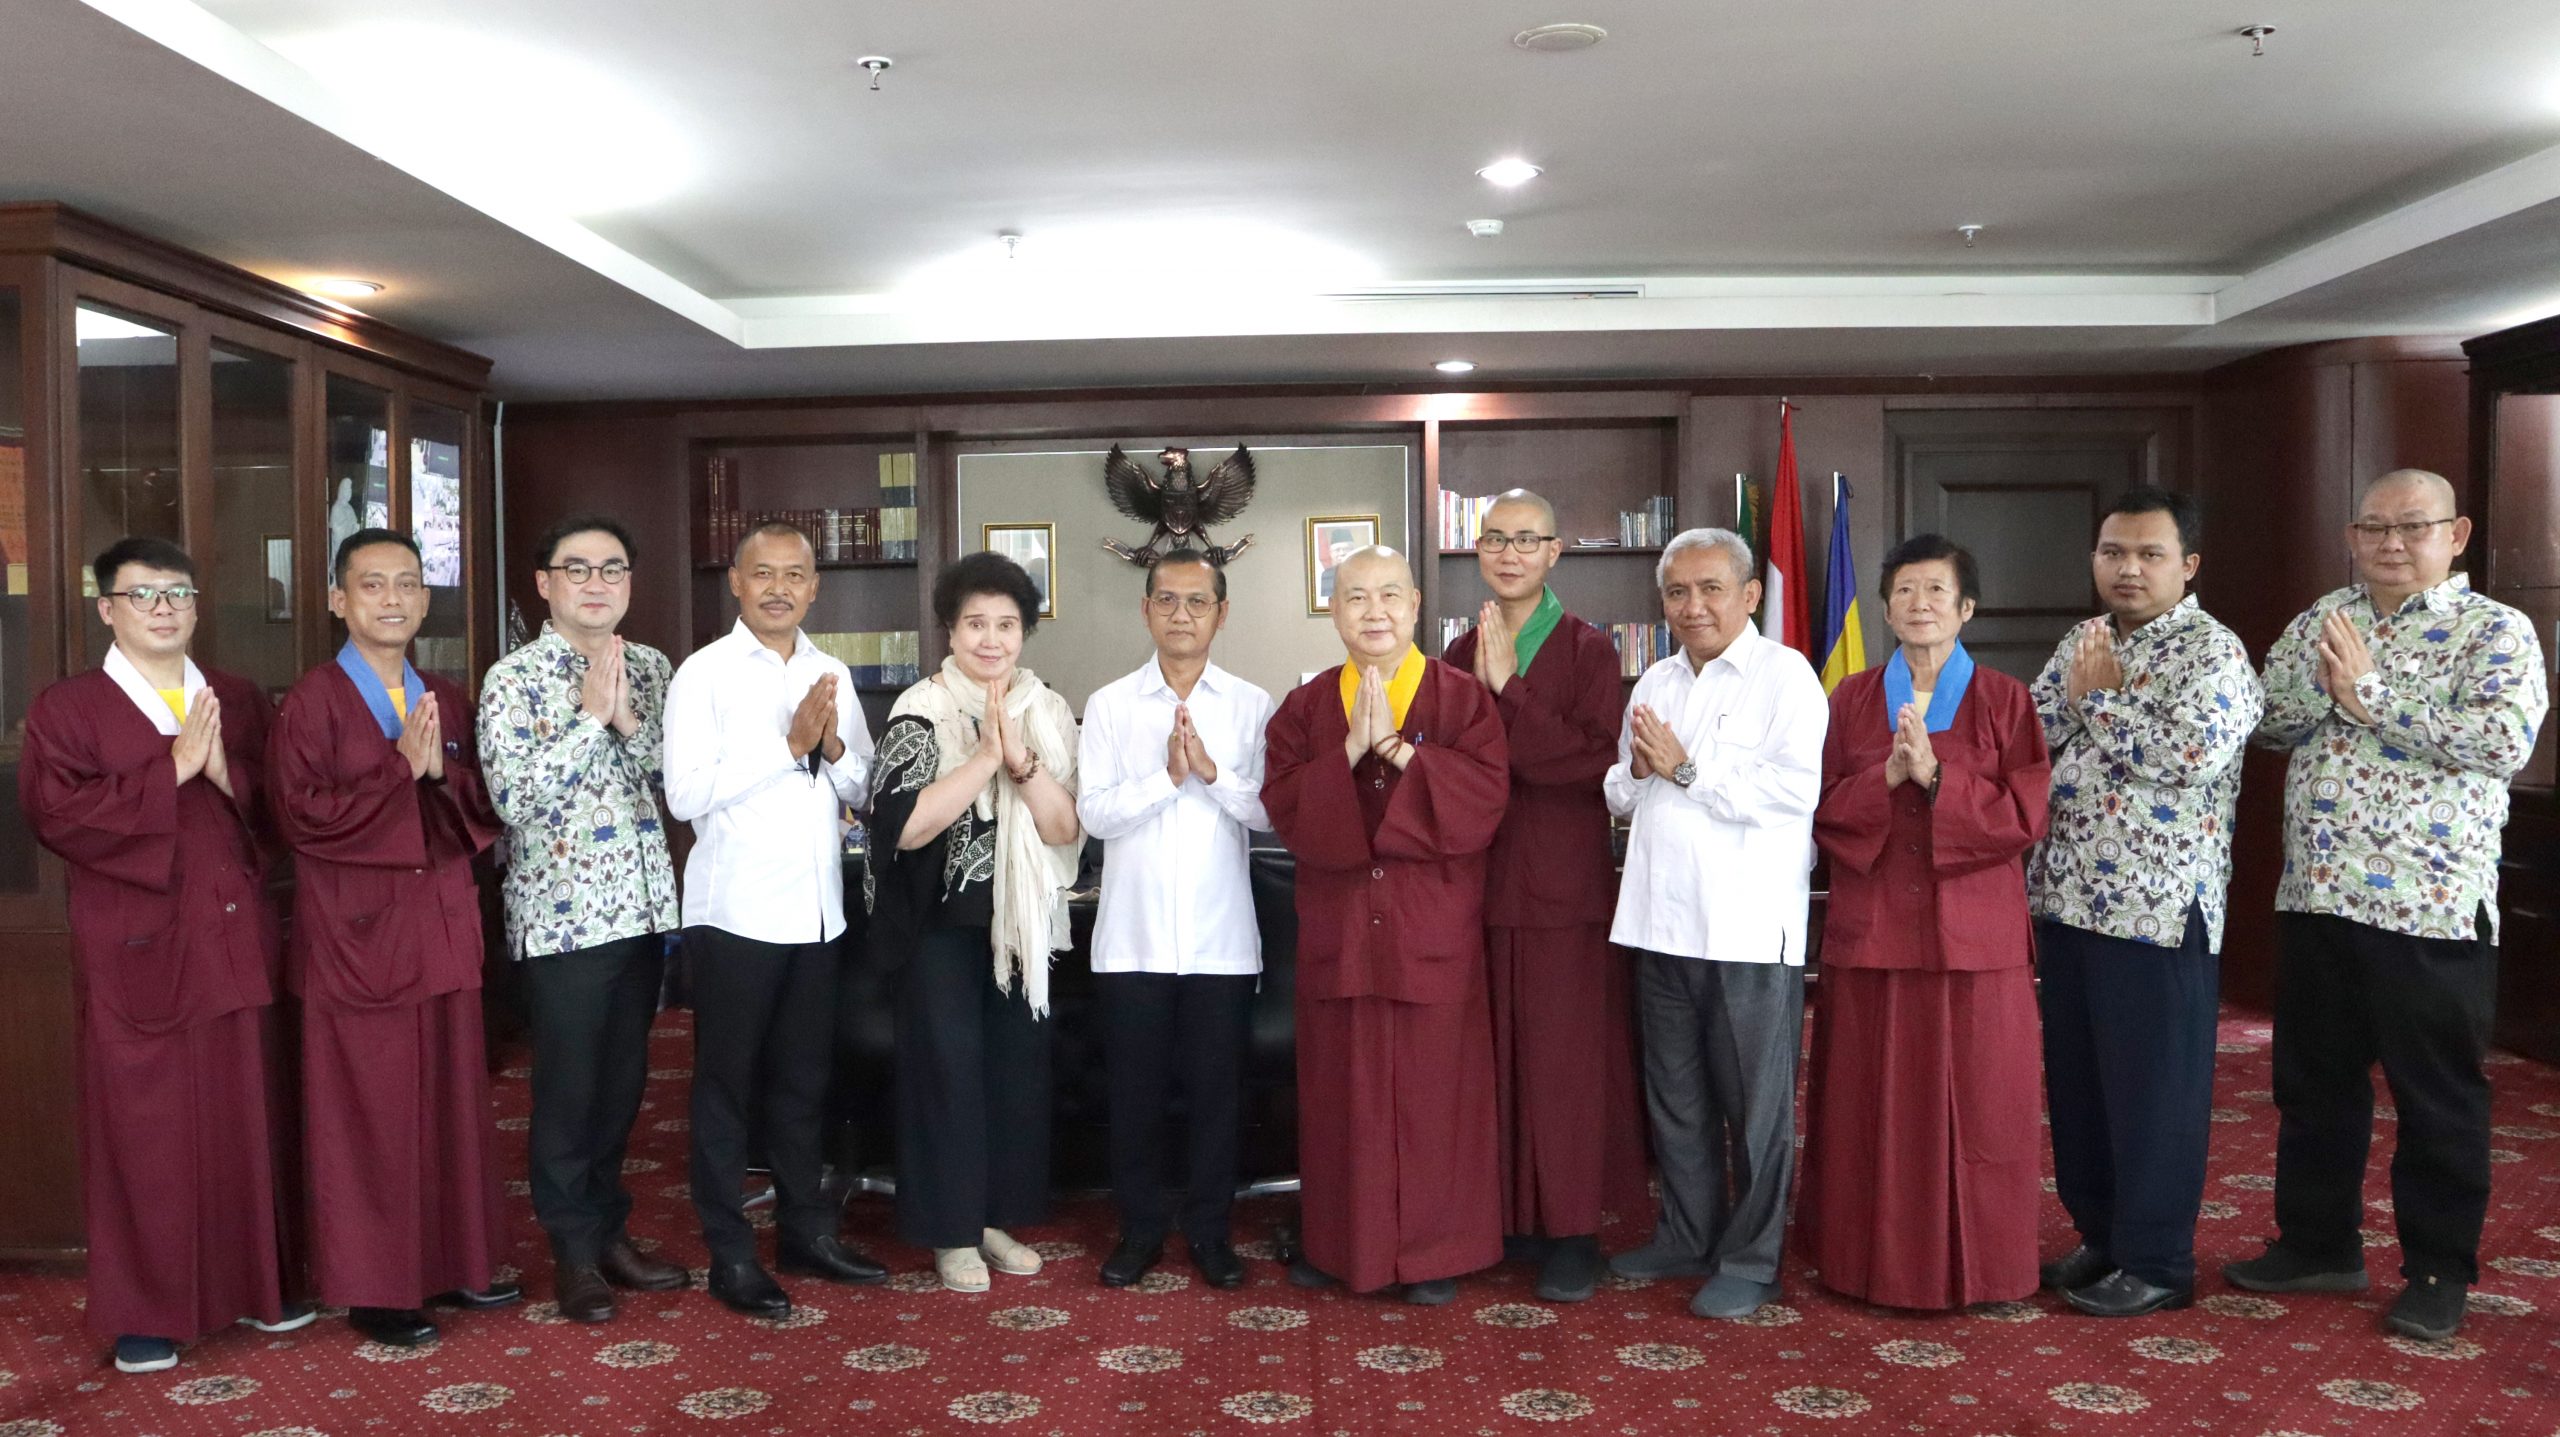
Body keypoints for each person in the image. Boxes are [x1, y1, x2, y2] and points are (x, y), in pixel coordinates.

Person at [2229, 468, 2548, 1342]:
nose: (2392, 544)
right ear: (2352, 536)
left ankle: (2439, 1269)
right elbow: (2273, 720)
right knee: (2314, 1085)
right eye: (2374, 528)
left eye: (2413, 527)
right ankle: (2318, 1242)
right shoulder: (2322, 619)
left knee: (2436, 1096)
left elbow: (2501, 740)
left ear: (2459, 532)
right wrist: (2320, 693)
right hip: (2319, 895)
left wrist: (2371, 696)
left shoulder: (2495, 631)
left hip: (2430, 907)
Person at [20, 538, 311, 1373]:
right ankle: (147, 1312)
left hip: (234, 938)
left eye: (178, 592)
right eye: (142, 594)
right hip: (138, 948)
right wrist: (172, 769)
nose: (163, 608)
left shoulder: (237, 697)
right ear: (106, 608)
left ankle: (261, 1283)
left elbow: (282, 816)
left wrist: (224, 772)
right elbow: (56, 816)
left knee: (249, 1114)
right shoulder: (68, 709)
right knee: (145, 1130)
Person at [267, 528, 513, 1347]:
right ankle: (376, 1286)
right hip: (357, 938)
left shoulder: (440, 691)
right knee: (368, 1114)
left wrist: (439, 772)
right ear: (339, 600)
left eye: (408, 583)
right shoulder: (310, 701)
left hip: (439, 930)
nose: (393, 599)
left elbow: (479, 803)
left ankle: (451, 1260)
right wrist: (395, 773)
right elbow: (299, 818)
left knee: (449, 1101)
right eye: (373, 585)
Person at [2027, 489, 2264, 1317]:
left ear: (2187, 565)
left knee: (2154, 1093)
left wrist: (2099, 703)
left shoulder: (2214, 653)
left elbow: (2187, 755)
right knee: (2082, 1087)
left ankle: (2159, 1260)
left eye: (2149, 554)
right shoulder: (2083, 639)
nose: (2128, 568)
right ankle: (2102, 1237)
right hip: (2067, 898)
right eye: (2113, 552)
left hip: (2158, 912)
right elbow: (2032, 732)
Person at [1800, 534, 2050, 1310]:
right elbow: (1818, 809)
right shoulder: (1847, 698)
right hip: (1874, 932)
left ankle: (1989, 1270)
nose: (1919, 605)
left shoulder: (2007, 699)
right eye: (1904, 591)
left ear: (1966, 608)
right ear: (1884, 607)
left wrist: (1938, 778)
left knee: (1983, 1106)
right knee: (1865, 1104)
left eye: (1936, 591)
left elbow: (2024, 814)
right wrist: (1884, 778)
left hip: (1973, 939)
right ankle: (1859, 1262)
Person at [1263, 545, 1510, 1304]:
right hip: (1342, 929)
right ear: (1333, 611)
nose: (1374, 612)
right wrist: (1344, 750)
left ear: (1414, 608)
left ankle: (1433, 1253)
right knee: (1343, 1096)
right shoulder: (1304, 708)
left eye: (1389, 597)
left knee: (1437, 1096)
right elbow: (1287, 809)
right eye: (1356, 597)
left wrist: (1400, 751)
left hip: (1426, 926)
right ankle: (1343, 1246)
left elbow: (1486, 800)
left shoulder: (1461, 697)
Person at [1605, 528, 1827, 1321]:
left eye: (1709, 589)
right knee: (1676, 1096)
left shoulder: (1787, 676)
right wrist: (1636, 770)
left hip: (1743, 927)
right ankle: (1685, 1233)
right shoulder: (1656, 679)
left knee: (1755, 1107)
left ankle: (1751, 1256)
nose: (1691, 606)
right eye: (1676, 592)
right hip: (1660, 922)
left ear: (1750, 595)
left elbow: (1792, 794)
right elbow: (1621, 794)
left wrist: (1686, 768)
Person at [664, 521, 884, 1319]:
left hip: (818, 913)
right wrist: (788, 746)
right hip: (737, 914)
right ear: (735, 580)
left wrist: (829, 748)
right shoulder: (705, 674)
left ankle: (804, 1232)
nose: (780, 588)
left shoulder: (831, 669)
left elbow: (860, 783)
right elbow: (685, 794)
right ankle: (729, 1252)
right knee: (727, 1090)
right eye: (764, 573)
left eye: (795, 574)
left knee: (804, 1085)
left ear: (816, 585)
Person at [478, 515, 689, 1323]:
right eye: (578, 568)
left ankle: (608, 1232)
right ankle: (571, 1251)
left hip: (641, 910)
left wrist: (629, 716)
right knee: (567, 1089)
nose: (596, 582)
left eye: (612, 568)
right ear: (545, 582)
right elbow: (514, 799)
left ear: (630, 581)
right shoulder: (515, 678)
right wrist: (589, 718)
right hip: (564, 917)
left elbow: (677, 779)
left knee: (624, 1083)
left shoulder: (651, 665)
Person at [1440, 490, 1648, 1303]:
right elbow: (1453, 765)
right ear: (1479, 551)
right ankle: (1505, 1218)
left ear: (1556, 552)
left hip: (1563, 888)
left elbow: (1586, 765)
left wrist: (1509, 690)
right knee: (1492, 1060)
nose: (1510, 553)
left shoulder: (1589, 649)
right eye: (1496, 539)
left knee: (1565, 1067)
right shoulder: (1459, 652)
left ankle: (1572, 1230)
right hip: (1479, 886)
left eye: (1527, 540)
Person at [866, 551, 1083, 1293]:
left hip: (1021, 927)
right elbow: (906, 828)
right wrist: (984, 756)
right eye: (975, 624)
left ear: (1025, 631)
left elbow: (1062, 830)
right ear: (950, 630)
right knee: (947, 1077)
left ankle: (991, 1217)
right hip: (937, 929)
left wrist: (1019, 761)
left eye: (1006, 624)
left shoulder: (1048, 709)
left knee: (1011, 1077)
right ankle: (949, 1232)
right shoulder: (919, 710)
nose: (991, 639)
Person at [1077, 550, 1272, 1290]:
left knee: (1219, 1098)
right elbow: (1093, 813)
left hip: (1222, 940)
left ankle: (1213, 1233)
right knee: (1134, 1096)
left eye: (1197, 601)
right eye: (1167, 600)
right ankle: (1139, 1229)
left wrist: (1213, 774)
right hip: (1133, 938)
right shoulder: (1110, 704)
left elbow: (1270, 810)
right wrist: (1166, 777)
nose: (1181, 613)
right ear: (1146, 610)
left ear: (1222, 613)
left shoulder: (1252, 705)